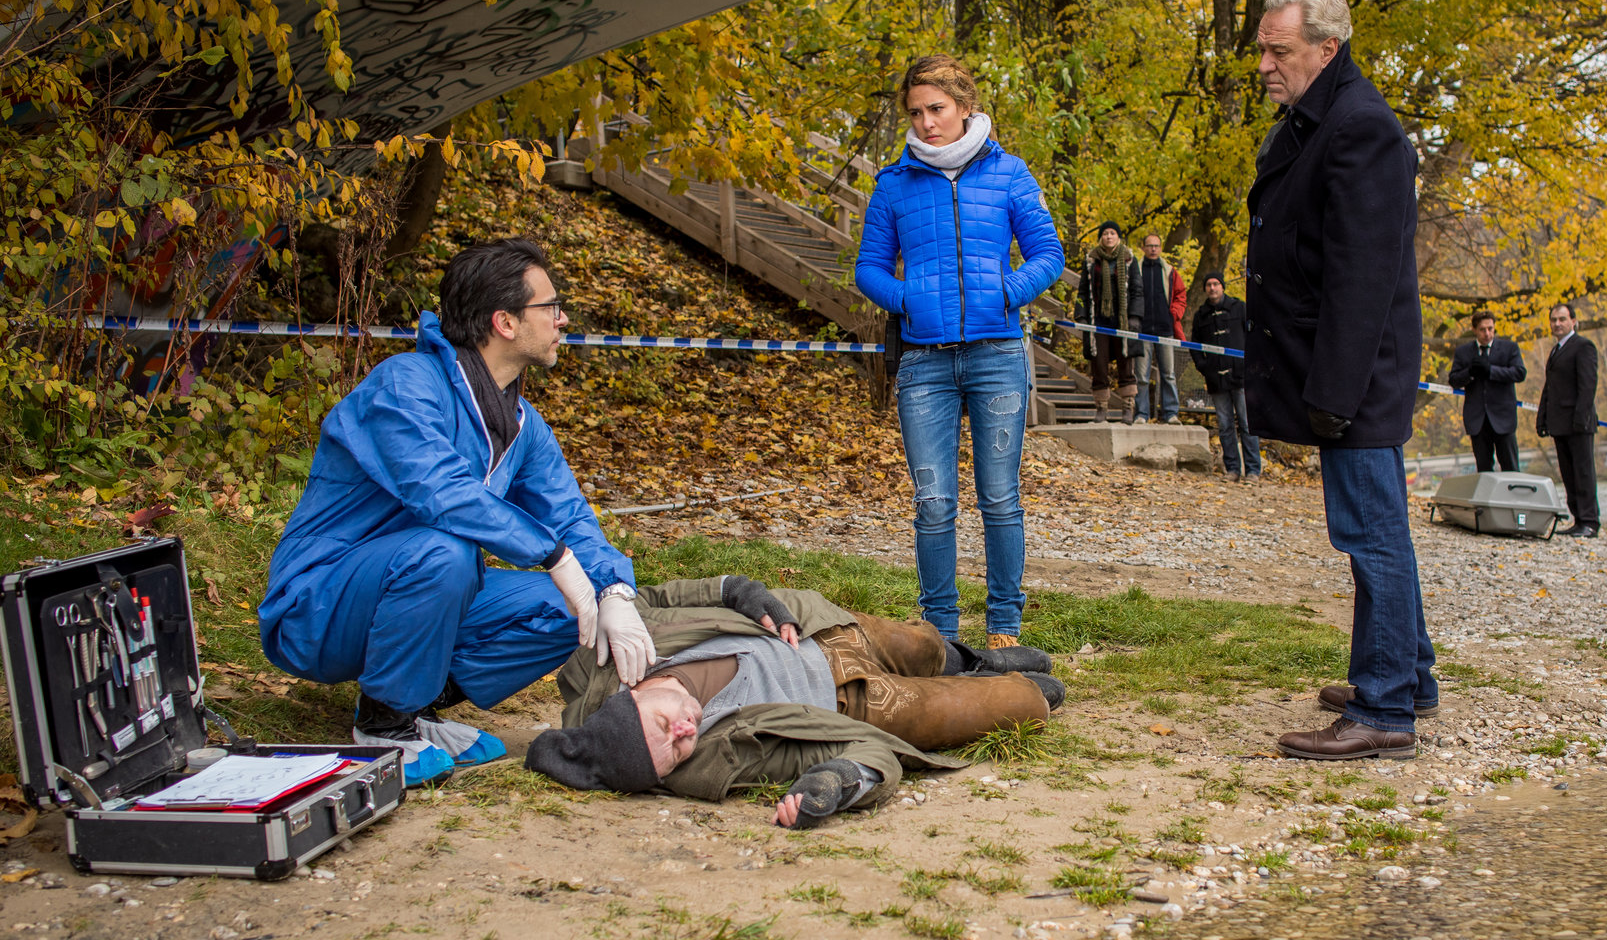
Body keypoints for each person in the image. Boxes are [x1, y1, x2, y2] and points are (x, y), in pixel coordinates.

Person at [261, 239, 657, 786]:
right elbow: (439, 492)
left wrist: (612, 590)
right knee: (447, 551)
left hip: (418, 586)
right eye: (551, 306)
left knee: (573, 604)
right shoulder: (405, 386)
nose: (563, 319)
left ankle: (411, 701)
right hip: (318, 608)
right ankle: (385, 723)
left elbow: (568, 516)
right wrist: (551, 552)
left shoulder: (522, 423)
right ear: (506, 322)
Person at [1241, 0, 1437, 760]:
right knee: (1378, 527)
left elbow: (1363, 278)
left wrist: (1332, 393)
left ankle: (1386, 710)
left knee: (1371, 534)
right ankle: (1407, 673)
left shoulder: (1361, 130)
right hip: (1342, 368)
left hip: (1355, 370)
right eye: (1262, 48)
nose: (1264, 64)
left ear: (1327, 49)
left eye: (1278, 50)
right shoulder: (1322, 120)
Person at [526, 575, 1061, 828]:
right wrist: (841, 782)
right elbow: (867, 756)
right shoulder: (716, 763)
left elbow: (657, 596)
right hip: (859, 705)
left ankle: (965, 660)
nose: (686, 732)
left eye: (666, 725)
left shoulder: (613, 654)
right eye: (676, 752)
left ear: (634, 693)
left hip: (815, 630)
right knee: (1023, 703)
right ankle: (993, 683)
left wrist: (738, 591)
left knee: (922, 644)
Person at [853, 55, 1065, 649]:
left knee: (999, 496)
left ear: (965, 107)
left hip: (997, 353)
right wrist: (908, 299)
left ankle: (1004, 627)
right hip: (924, 363)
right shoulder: (893, 184)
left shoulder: (1009, 173)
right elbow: (867, 268)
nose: (926, 123)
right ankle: (938, 634)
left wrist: (1007, 291)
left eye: (937, 109)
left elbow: (1049, 253)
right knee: (934, 501)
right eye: (916, 112)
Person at [1189, 272, 1261, 481]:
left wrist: (1249, 365)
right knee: (1225, 425)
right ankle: (1232, 469)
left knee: (1247, 424)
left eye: (1216, 284)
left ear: (1222, 286)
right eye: (1209, 284)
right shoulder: (1201, 315)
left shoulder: (1239, 308)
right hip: (1216, 379)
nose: (1212, 288)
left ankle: (1253, 470)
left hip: (1240, 377)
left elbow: (1252, 336)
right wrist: (1205, 367)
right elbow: (1194, 345)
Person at [1536, 304, 1600, 536]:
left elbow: (1587, 386)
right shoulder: (1556, 351)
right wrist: (1542, 417)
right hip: (1559, 423)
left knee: (1583, 473)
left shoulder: (1583, 347)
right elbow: (1549, 388)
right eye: (1553, 320)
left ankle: (1590, 521)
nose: (1557, 324)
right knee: (1569, 474)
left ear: (1574, 321)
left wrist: (1580, 419)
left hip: (1578, 423)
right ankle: (1578, 519)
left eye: (1562, 319)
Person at [1076, 220, 1144, 423]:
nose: (1108, 237)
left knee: (1126, 362)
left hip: (1122, 320)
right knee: (1099, 363)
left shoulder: (1129, 260)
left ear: (1118, 236)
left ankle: (1127, 407)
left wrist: (1134, 316)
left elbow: (1137, 290)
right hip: (1099, 320)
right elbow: (1082, 291)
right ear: (1101, 237)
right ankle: (1101, 408)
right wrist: (1081, 315)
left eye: (1112, 233)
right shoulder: (1091, 261)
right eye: (1105, 233)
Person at [1447, 311, 1527, 472]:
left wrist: (1491, 371)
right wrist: (1470, 372)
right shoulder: (1464, 352)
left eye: (1490, 328)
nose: (1487, 333)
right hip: (1477, 419)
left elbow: (1519, 373)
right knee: (1483, 470)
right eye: (1483, 329)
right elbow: (1454, 380)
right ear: (1475, 330)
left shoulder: (1509, 348)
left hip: (1503, 418)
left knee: (1511, 467)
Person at [1131, 233, 1188, 423]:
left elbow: (1181, 295)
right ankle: (1141, 414)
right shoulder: (1136, 270)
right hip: (1143, 329)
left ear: (1161, 248)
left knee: (1169, 374)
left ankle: (1171, 413)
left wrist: (1174, 314)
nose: (1153, 249)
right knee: (1141, 376)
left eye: (1156, 245)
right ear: (1144, 248)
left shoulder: (1170, 271)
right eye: (1149, 246)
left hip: (1166, 329)